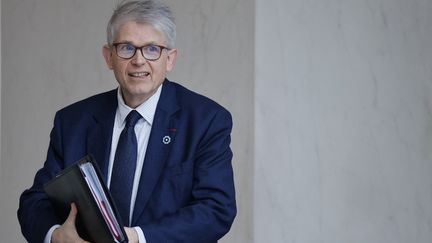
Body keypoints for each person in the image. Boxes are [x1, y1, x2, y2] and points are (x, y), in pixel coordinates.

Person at [17, 0, 236, 242]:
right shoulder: (72, 122)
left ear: (170, 59)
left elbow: (216, 210)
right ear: (109, 57)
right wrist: (57, 235)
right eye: (126, 48)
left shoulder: (206, 120)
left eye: (152, 49)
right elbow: (35, 201)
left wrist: (136, 238)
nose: (139, 60)